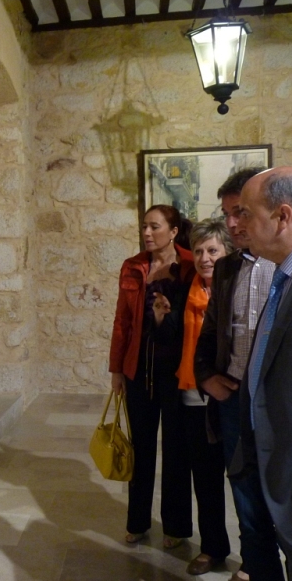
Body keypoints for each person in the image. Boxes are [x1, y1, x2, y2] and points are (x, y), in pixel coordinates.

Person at [194, 168, 285, 581]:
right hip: (233, 400)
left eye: (241, 213)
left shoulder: (289, 264)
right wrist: (207, 377)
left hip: (279, 407)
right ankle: (256, 567)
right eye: (228, 214)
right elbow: (211, 331)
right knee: (245, 496)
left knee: (288, 501)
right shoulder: (227, 268)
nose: (232, 224)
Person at [234, 166, 292, 580]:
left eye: (247, 213)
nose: (238, 223)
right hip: (278, 460)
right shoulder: (287, 269)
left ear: (283, 216)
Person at [109, 204, 194, 548]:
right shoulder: (132, 266)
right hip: (138, 371)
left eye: (154, 227)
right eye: (144, 226)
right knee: (140, 448)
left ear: (173, 231)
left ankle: (175, 527)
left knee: (177, 451)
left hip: (176, 372)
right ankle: (138, 521)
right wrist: (116, 369)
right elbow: (122, 322)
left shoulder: (190, 264)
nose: (146, 233)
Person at [153, 219, 233, 575]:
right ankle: (213, 548)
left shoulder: (237, 291)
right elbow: (177, 342)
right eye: (199, 250)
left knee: (246, 484)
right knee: (206, 480)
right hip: (190, 398)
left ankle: (255, 559)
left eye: (213, 250)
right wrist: (162, 319)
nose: (204, 257)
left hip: (227, 399)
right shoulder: (189, 291)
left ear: (228, 253)